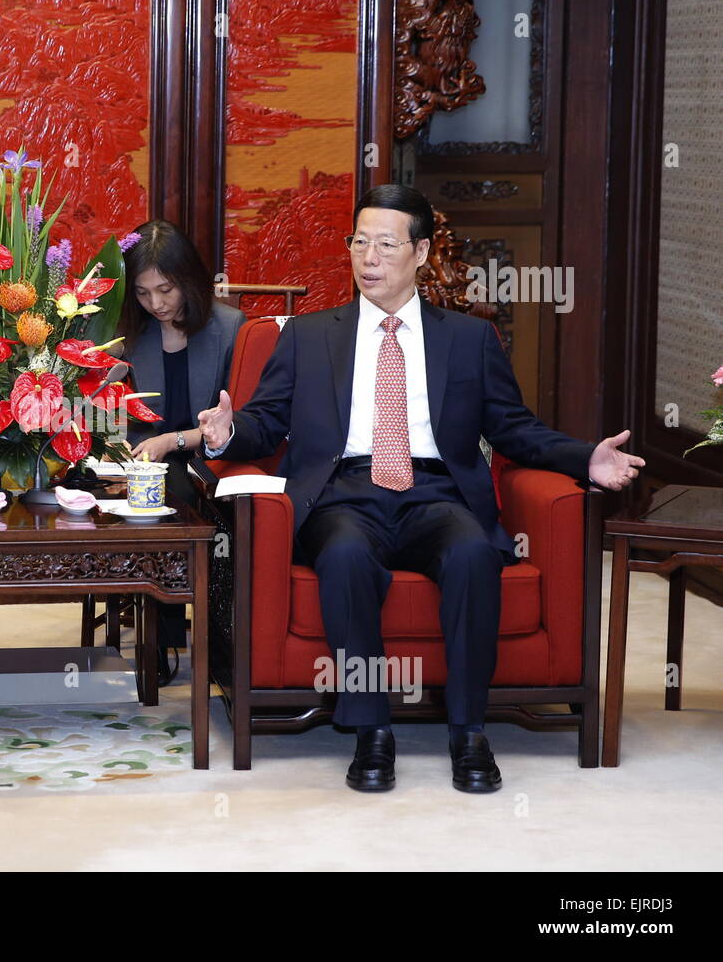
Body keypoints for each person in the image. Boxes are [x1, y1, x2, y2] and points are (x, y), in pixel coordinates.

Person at [197, 184, 643, 793]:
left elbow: (512, 427)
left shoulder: (467, 339)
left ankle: (468, 731)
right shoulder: (306, 336)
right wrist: (226, 434)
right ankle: (371, 731)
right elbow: (267, 423)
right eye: (359, 243)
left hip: (438, 495)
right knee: (347, 557)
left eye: (385, 244)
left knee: (471, 555)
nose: (368, 258)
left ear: (422, 252)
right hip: (344, 492)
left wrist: (584, 458)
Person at [120, 220, 246, 684]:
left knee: (174, 491)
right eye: (143, 292)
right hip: (142, 456)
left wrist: (172, 441)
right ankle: (162, 633)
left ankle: (194, 633)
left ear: (188, 280)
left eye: (165, 289)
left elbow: (233, 419)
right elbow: (120, 414)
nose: (155, 304)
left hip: (210, 457)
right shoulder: (130, 332)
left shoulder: (230, 327)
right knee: (155, 487)